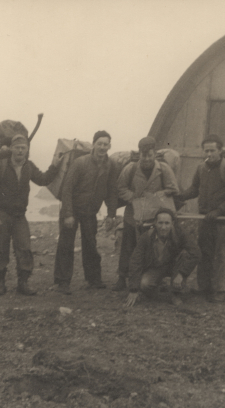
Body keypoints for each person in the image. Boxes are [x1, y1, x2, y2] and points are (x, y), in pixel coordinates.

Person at [0, 134, 65, 296]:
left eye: (23, 148)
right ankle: (0, 283)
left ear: (27, 150)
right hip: (1, 213)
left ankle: (23, 283)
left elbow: (43, 179)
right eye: (17, 147)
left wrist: (55, 166)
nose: (20, 151)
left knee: (25, 248)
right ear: (11, 149)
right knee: (0, 248)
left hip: (19, 215)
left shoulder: (29, 166)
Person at [176, 134, 225, 302]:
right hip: (205, 219)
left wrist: (219, 211)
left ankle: (220, 290)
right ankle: (203, 287)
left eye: (212, 150)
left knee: (221, 255)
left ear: (220, 151)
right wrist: (181, 196)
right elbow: (194, 188)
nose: (209, 154)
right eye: (206, 150)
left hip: (223, 220)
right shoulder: (201, 168)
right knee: (204, 253)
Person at [54, 130, 121, 294]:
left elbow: (111, 191)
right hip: (72, 209)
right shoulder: (80, 163)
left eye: (106, 144)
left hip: (90, 211)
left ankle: (94, 280)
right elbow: (67, 189)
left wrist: (111, 214)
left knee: (91, 244)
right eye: (99, 144)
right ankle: (62, 283)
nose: (102, 147)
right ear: (94, 145)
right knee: (66, 245)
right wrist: (68, 214)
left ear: (109, 146)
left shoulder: (111, 165)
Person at [112, 136, 179, 292]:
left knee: (150, 246)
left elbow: (173, 188)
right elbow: (120, 188)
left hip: (155, 215)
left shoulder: (163, 169)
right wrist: (134, 197)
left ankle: (150, 277)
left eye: (150, 155)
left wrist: (157, 196)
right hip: (133, 214)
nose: (147, 158)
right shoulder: (131, 168)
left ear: (154, 154)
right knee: (128, 245)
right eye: (144, 155)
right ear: (139, 154)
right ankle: (122, 277)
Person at [125, 208, 200, 307]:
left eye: (167, 223)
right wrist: (134, 289)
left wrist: (182, 273)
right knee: (144, 284)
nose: (163, 227)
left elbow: (195, 252)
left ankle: (176, 294)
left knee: (184, 256)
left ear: (172, 223)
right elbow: (135, 261)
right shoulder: (146, 237)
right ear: (155, 223)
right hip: (157, 266)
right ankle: (160, 288)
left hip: (175, 266)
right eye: (160, 223)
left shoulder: (180, 234)